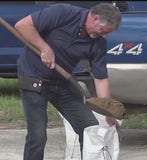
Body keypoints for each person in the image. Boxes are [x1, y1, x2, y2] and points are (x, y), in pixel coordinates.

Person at [15, 2, 122, 160]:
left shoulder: (98, 42)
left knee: (89, 128)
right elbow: (22, 25)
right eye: (104, 31)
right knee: (38, 136)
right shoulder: (63, 13)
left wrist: (108, 112)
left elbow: (100, 78)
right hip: (33, 77)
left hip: (61, 82)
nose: (104, 36)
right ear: (95, 18)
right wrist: (45, 48)